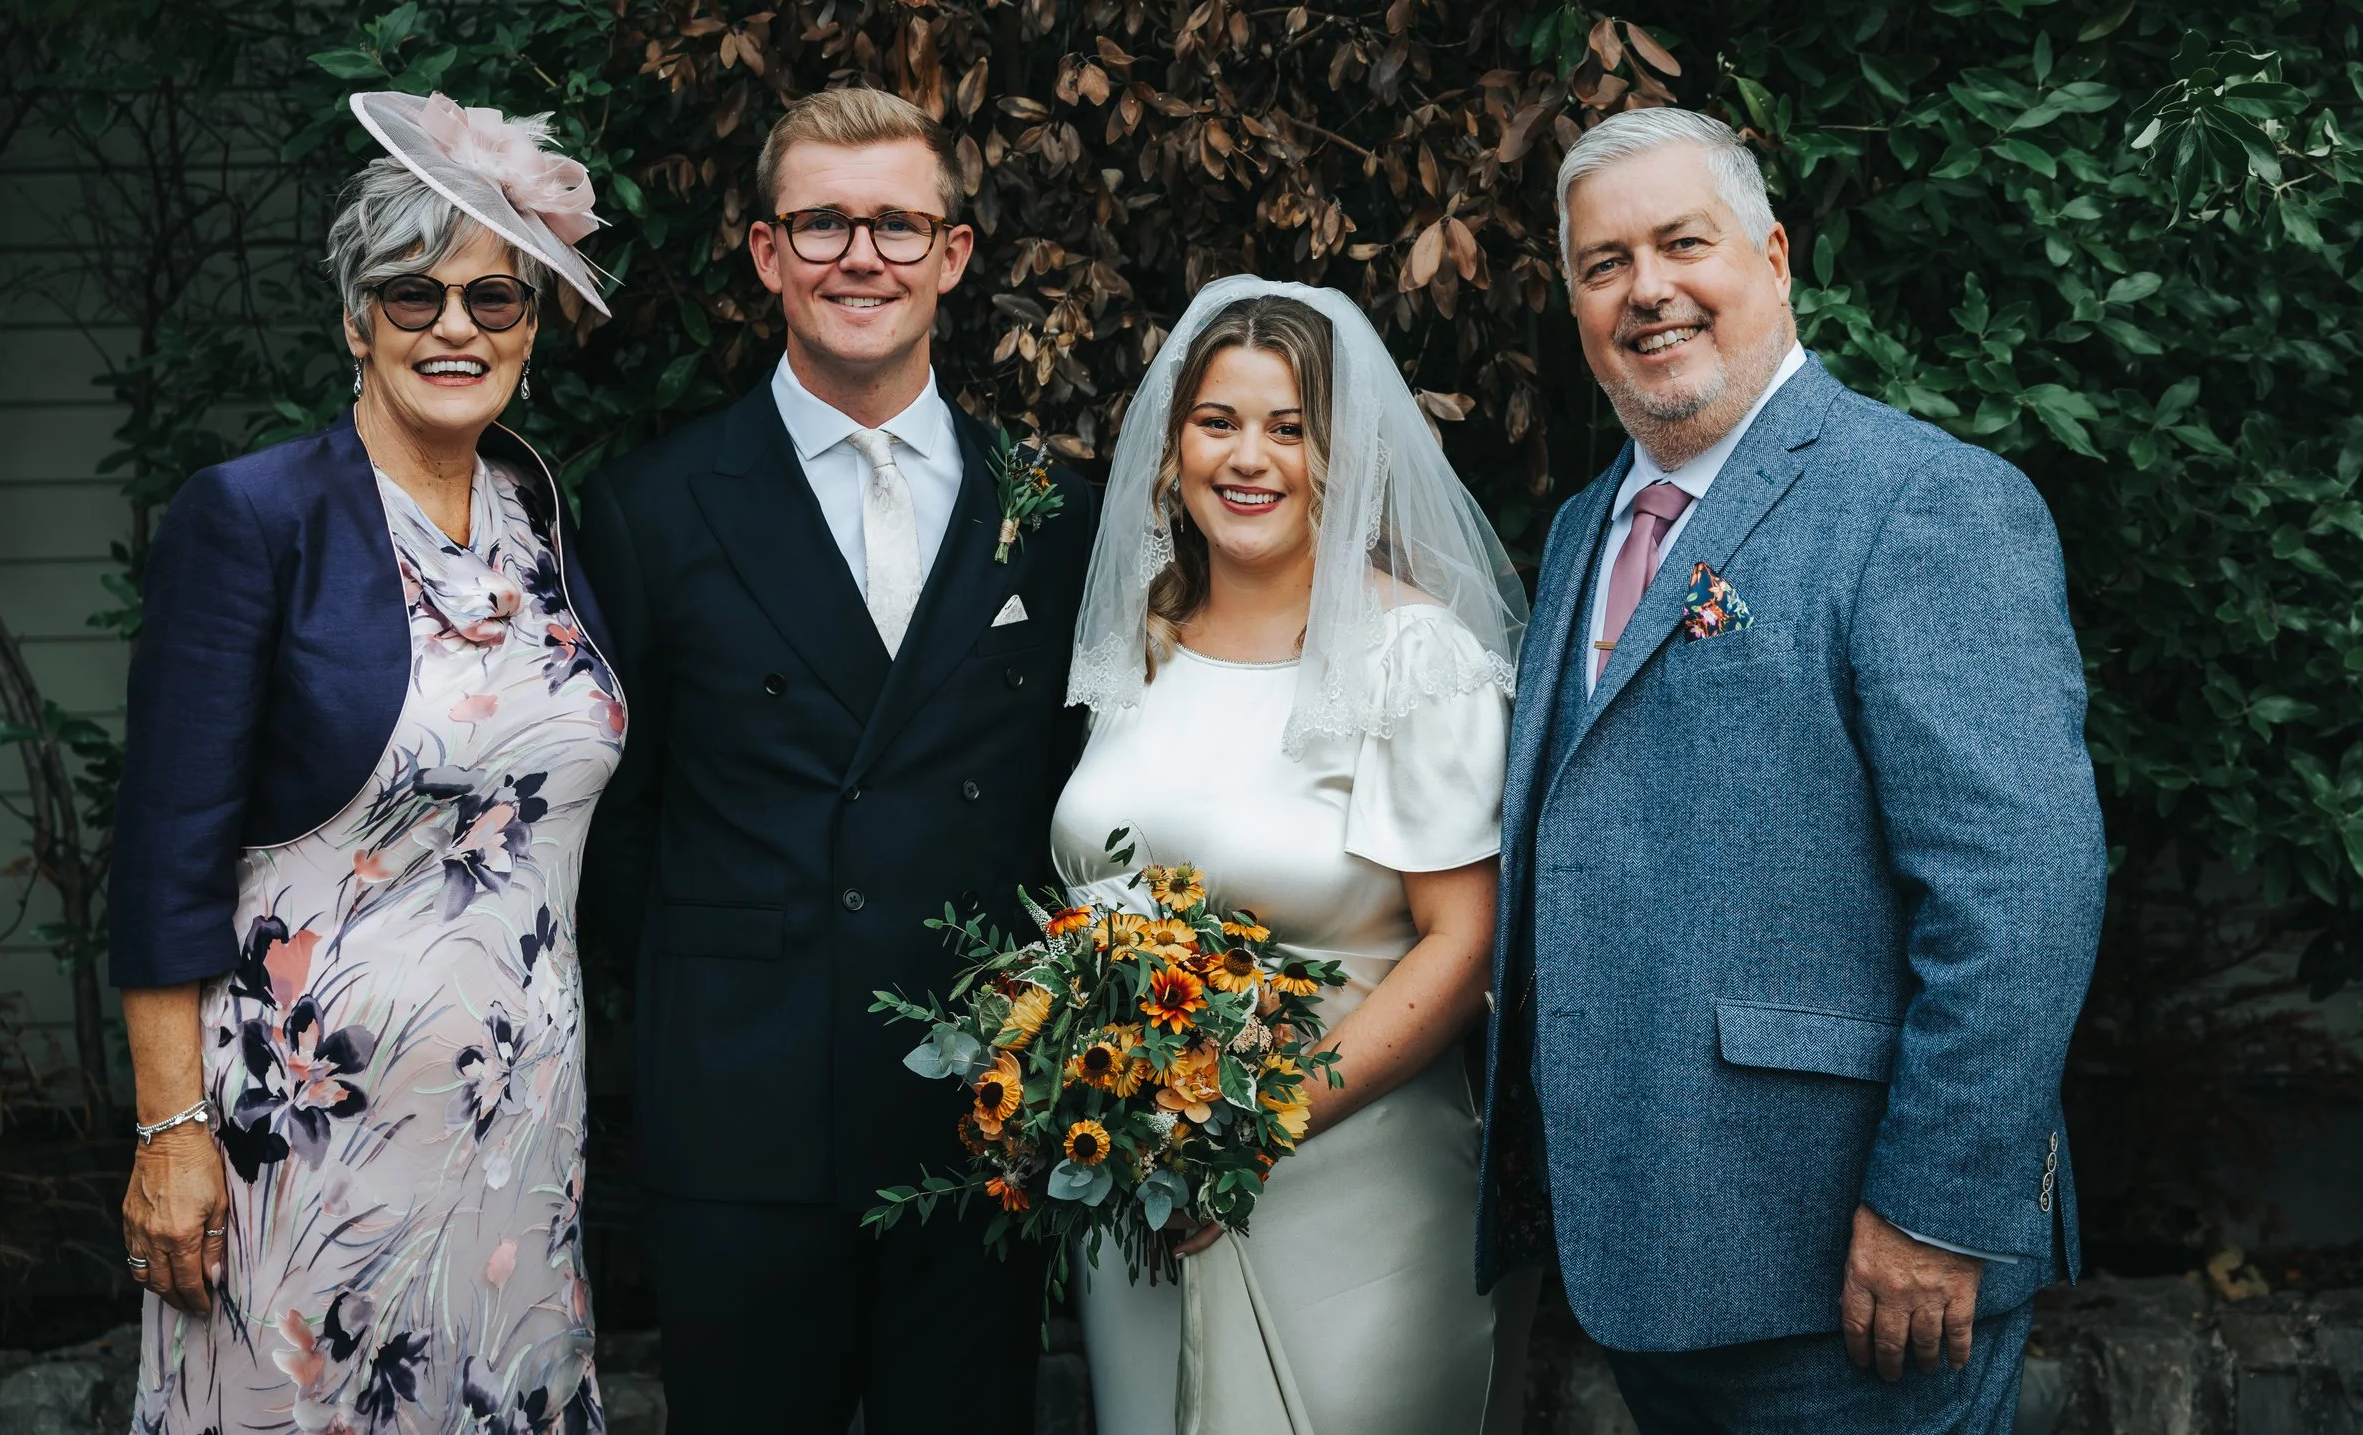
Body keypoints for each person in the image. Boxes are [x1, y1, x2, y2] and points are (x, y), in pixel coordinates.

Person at [1476, 107, 2105, 1432]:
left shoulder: (1922, 504)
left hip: (1860, 1266)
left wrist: (1938, 1205)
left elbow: (2021, 890)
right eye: (1603, 263)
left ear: (1772, 255)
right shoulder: (1589, 523)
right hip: (1655, 1254)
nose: (1646, 287)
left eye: (1682, 242)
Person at [577, 86, 1100, 1435]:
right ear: (765, 253)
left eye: (893, 223)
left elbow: (1063, 788)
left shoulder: (1047, 505)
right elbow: (615, 823)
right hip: (741, 1114)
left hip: (978, 1115)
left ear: (953, 254)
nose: (857, 255)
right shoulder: (652, 504)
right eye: (820, 223)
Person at [108, 90, 626, 1431]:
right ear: (355, 318)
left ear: (529, 328)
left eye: (493, 298)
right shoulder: (254, 516)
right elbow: (164, 855)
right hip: (298, 1142)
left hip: (517, 1131)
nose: (454, 325)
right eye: (413, 294)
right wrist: (170, 1135)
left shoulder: (556, 527)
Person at [1053, 277, 1535, 1435]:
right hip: (1142, 1198)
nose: (1248, 457)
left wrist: (1249, 1121)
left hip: (1353, 1188)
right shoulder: (1140, 638)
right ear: (1171, 449)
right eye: (1218, 420)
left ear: (1343, 453)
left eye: (1289, 426)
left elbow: (1465, 940)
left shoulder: (1414, 655)